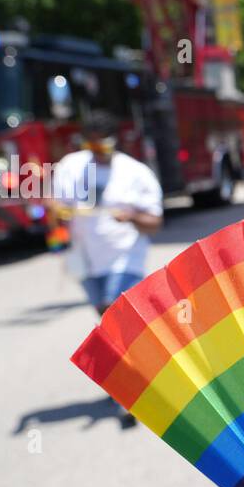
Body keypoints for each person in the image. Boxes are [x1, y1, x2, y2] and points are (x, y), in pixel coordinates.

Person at [51, 111, 164, 426]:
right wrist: (56, 218)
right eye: (93, 147)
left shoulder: (136, 173)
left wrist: (132, 217)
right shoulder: (71, 167)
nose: (99, 153)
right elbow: (54, 208)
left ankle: (131, 393)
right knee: (109, 320)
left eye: (105, 147)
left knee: (114, 317)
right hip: (83, 260)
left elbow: (155, 222)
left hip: (125, 256)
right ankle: (140, 373)